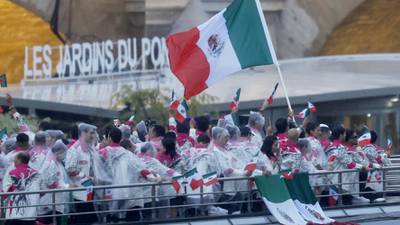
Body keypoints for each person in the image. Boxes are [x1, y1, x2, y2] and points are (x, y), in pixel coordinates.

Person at [100, 127, 156, 222]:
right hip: (130, 196)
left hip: (110, 196)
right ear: (121, 138)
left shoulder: (102, 153)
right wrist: (155, 178)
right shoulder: (129, 154)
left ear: (109, 138)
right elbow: (143, 170)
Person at [65, 123, 110, 224]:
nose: (94, 136)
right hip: (78, 192)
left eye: (94, 133)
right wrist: (85, 176)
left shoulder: (90, 149)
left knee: (90, 218)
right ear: (83, 133)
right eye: (91, 133)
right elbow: (70, 169)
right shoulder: (75, 150)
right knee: (82, 219)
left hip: (89, 190)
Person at [325, 124, 368, 204]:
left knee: (332, 205)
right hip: (339, 181)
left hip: (331, 178)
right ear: (341, 134)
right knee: (339, 205)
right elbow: (349, 164)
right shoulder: (339, 147)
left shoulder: (330, 146)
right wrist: (362, 167)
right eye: (344, 133)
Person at [3, 152, 41, 225]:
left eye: (15, 159)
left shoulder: (11, 173)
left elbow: (5, 193)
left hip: (14, 215)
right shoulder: (37, 173)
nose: (14, 161)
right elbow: (42, 192)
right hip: (31, 215)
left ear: (19, 159)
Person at [38, 140, 70, 225]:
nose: (65, 155)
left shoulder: (57, 163)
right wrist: (66, 187)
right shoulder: (50, 163)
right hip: (50, 202)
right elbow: (50, 183)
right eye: (64, 153)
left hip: (56, 201)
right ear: (59, 152)